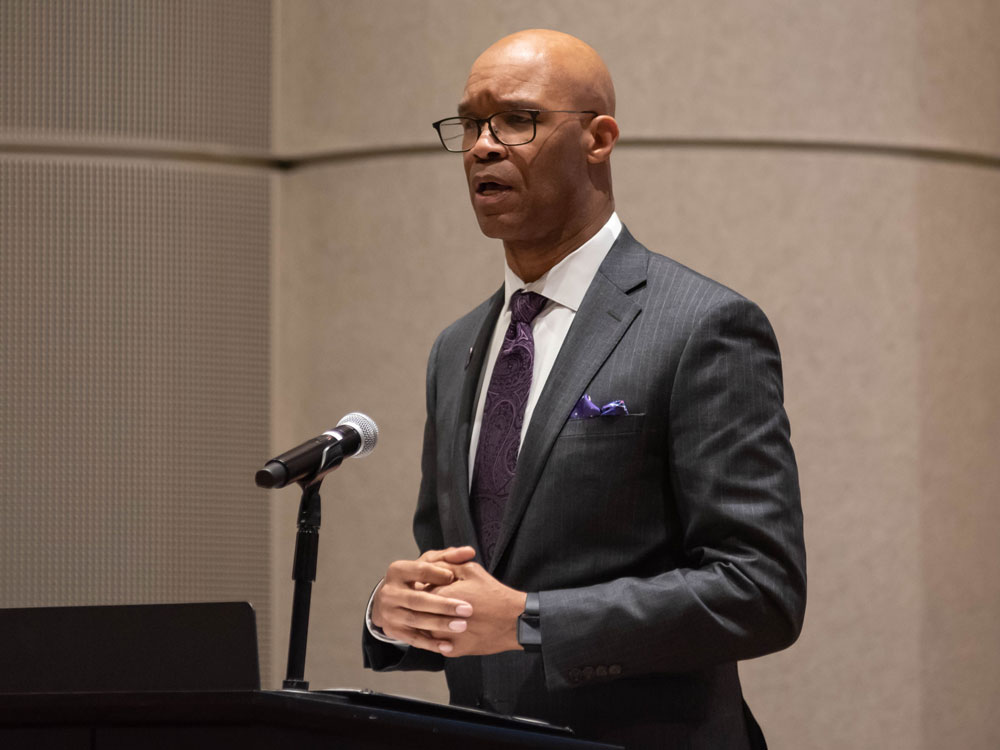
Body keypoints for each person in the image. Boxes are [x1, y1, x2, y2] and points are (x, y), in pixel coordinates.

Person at [363, 28, 806, 750]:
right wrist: (397, 613)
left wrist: (534, 619)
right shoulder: (456, 349)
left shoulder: (701, 326)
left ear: (599, 139)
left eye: (516, 119)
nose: (482, 145)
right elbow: (470, 583)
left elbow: (760, 590)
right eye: (470, 123)